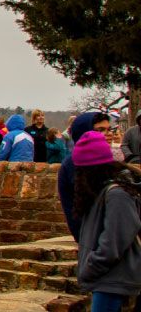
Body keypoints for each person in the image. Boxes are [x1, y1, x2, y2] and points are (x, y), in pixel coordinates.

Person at [72, 130, 141, 312]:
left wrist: (91, 266)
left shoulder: (117, 194)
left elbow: (114, 242)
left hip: (115, 281)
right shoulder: (99, 193)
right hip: (108, 280)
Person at [62, 111, 114, 237]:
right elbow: (75, 210)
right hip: (93, 238)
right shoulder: (74, 165)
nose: (109, 134)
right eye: (101, 130)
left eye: (109, 129)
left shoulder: (109, 159)